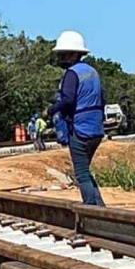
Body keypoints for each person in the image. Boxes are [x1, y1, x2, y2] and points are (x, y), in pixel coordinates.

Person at [48, 31, 105, 206]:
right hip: (96, 129)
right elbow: (103, 98)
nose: (61, 58)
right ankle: (100, 206)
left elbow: (67, 100)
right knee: (85, 171)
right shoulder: (92, 71)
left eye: (64, 55)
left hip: (80, 130)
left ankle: (90, 208)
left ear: (73, 54)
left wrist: (51, 111)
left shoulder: (72, 74)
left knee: (81, 174)